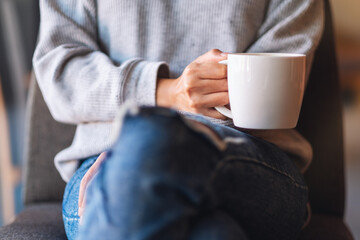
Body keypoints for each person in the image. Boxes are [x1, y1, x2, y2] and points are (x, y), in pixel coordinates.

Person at [33, 0, 324, 239]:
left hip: (250, 159)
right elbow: (60, 72)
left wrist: (141, 152)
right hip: (111, 153)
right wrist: (167, 92)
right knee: (214, 234)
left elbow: (277, 86)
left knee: (150, 149)